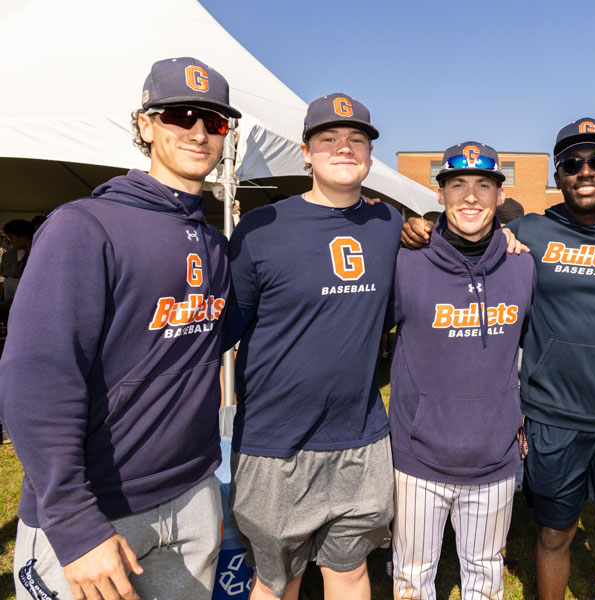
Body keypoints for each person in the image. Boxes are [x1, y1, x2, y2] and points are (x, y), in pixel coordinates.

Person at [0, 56, 239, 600]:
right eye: (181, 114)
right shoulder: (83, 226)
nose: (199, 131)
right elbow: (35, 380)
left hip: (193, 492)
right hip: (100, 511)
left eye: (216, 121)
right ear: (145, 124)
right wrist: (75, 524)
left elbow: (203, 345)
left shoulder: (214, 244)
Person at [403, 119, 595, 600]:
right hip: (553, 416)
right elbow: (472, 231)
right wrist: (420, 224)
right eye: (572, 163)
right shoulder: (529, 232)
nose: (585, 171)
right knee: (553, 534)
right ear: (558, 172)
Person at [226, 93, 400, 600]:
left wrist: (511, 239)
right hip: (275, 444)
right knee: (277, 581)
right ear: (305, 152)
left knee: (349, 572)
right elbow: (224, 330)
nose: (344, 148)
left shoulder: (388, 224)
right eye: (329, 138)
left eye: (357, 139)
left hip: (361, 438)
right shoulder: (262, 228)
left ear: (369, 155)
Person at [389, 142, 535, 599]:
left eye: (482, 185)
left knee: (485, 574)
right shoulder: (406, 260)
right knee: (412, 576)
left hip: (494, 454)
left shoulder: (521, 263)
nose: (470, 196)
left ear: (498, 195)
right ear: (440, 194)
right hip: (419, 455)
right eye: (458, 185)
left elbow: (532, 348)